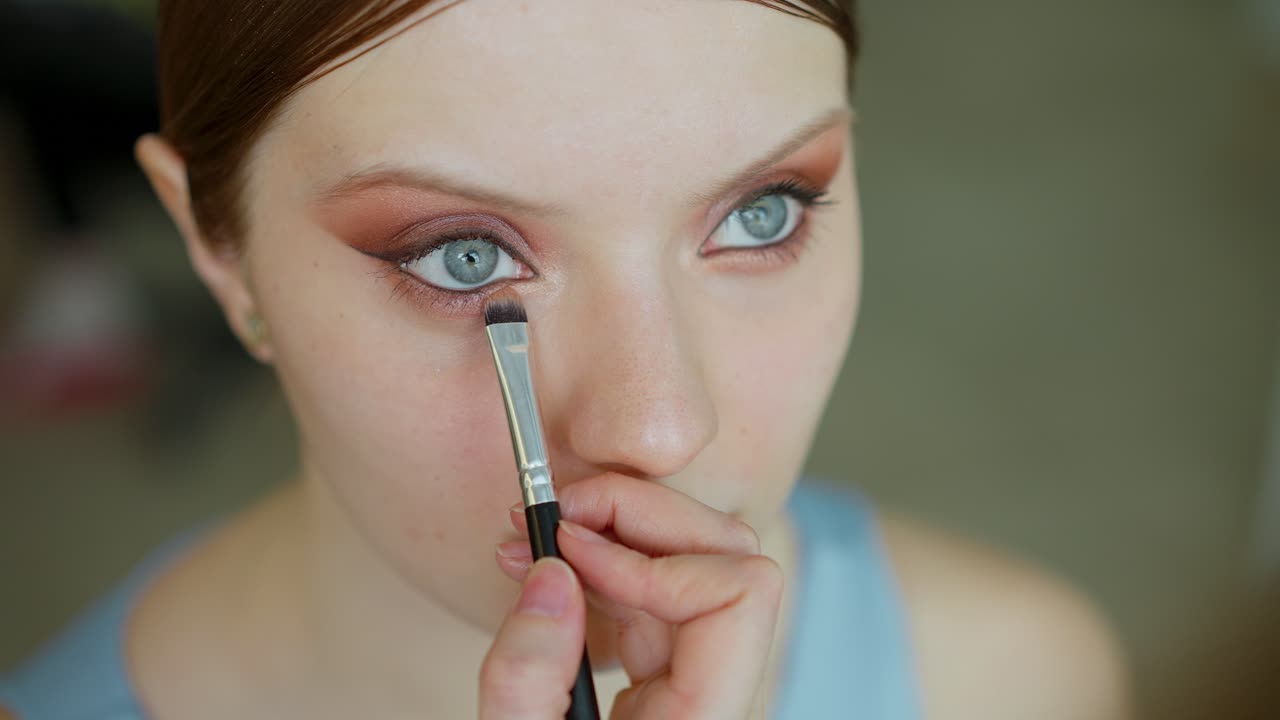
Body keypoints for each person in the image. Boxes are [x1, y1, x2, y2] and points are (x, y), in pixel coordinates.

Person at [0, 1, 1132, 717]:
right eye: (459, 256)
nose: (655, 430)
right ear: (217, 245)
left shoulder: (1017, 677)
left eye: (760, 213)